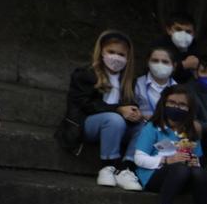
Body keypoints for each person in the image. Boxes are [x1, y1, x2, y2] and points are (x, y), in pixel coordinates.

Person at [60, 29, 144, 191]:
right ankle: (108, 166)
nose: (116, 57)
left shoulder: (128, 82)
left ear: (128, 58)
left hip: (116, 128)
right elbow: (85, 104)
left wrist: (135, 112)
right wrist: (119, 109)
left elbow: (129, 105)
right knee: (114, 119)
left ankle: (126, 169)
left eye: (121, 54)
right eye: (111, 52)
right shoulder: (85, 74)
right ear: (101, 52)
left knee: (143, 126)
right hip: (87, 125)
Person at [134, 85, 207, 204]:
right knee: (179, 168)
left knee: (199, 172)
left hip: (182, 178)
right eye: (172, 102)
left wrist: (194, 162)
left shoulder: (191, 132)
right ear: (164, 104)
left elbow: (198, 159)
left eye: (182, 104)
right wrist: (166, 160)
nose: (177, 107)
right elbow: (139, 158)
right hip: (153, 176)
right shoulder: (153, 127)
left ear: (189, 109)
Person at [154, 12, 200, 84]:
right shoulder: (159, 45)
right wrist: (184, 65)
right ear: (169, 30)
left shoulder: (194, 46)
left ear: (193, 34)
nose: (183, 34)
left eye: (188, 31)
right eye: (178, 29)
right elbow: (158, 70)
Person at [134, 46, 177, 122]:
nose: (160, 65)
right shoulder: (136, 84)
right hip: (142, 126)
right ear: (148, 62)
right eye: (155, 61)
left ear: (174, 66)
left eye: (165, 62)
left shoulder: (178, 88)